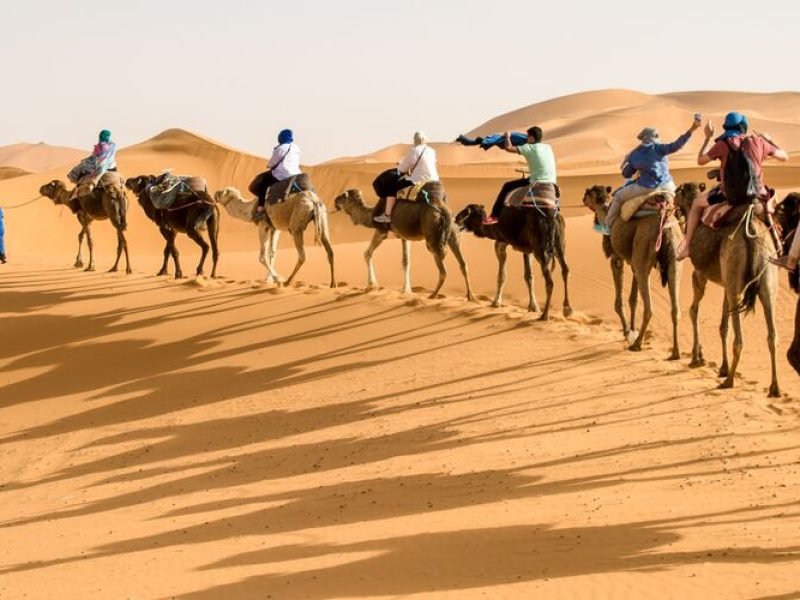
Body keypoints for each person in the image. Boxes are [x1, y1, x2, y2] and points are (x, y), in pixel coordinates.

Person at [677, 112, 789, 260]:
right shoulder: (759, 142)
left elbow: (701, 160)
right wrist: (770, 140)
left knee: (697, 204)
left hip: (728, 194)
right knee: (776, 207)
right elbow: (784, 157)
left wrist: (708, 137)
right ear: (744, 127)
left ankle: (687, 247)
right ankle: (785, 249)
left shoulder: (723, 144)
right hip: (758, 193)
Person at [599, 116, 701, 234]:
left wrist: (630, 161)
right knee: (683, 201)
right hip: (667, 185)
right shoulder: (659, 148)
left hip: (646, 187)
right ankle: (690, 228)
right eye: (657, 136)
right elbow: (676, 145)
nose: (659, 138)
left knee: (618, 198)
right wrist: (692, 129)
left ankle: (607, 226)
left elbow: (626, 174)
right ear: (654, 138)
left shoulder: (635, 154)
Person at [483, 126, 557, 225]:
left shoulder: (529, 148)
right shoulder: (548, 147)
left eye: (528, 136)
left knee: (507, 186)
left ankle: (494, 215)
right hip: (552, 181)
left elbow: (508, 148)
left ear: (531, 138)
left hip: (536, 181)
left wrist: (508, 136)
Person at [374, 131, 438, 223]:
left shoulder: (414, 150)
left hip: (418, 180)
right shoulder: (432, 151)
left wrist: (400, 164)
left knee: (391, 189)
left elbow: (402, 169)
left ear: (415, 140)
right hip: (434, 180)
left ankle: (387, 215)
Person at [253, 129, 302, 220]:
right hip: (295, 175)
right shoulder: (296, 147)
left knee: (263, 185)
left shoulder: (281, 148)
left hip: (281, 175)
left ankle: (260, 209)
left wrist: (269, 165)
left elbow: (272, 163)